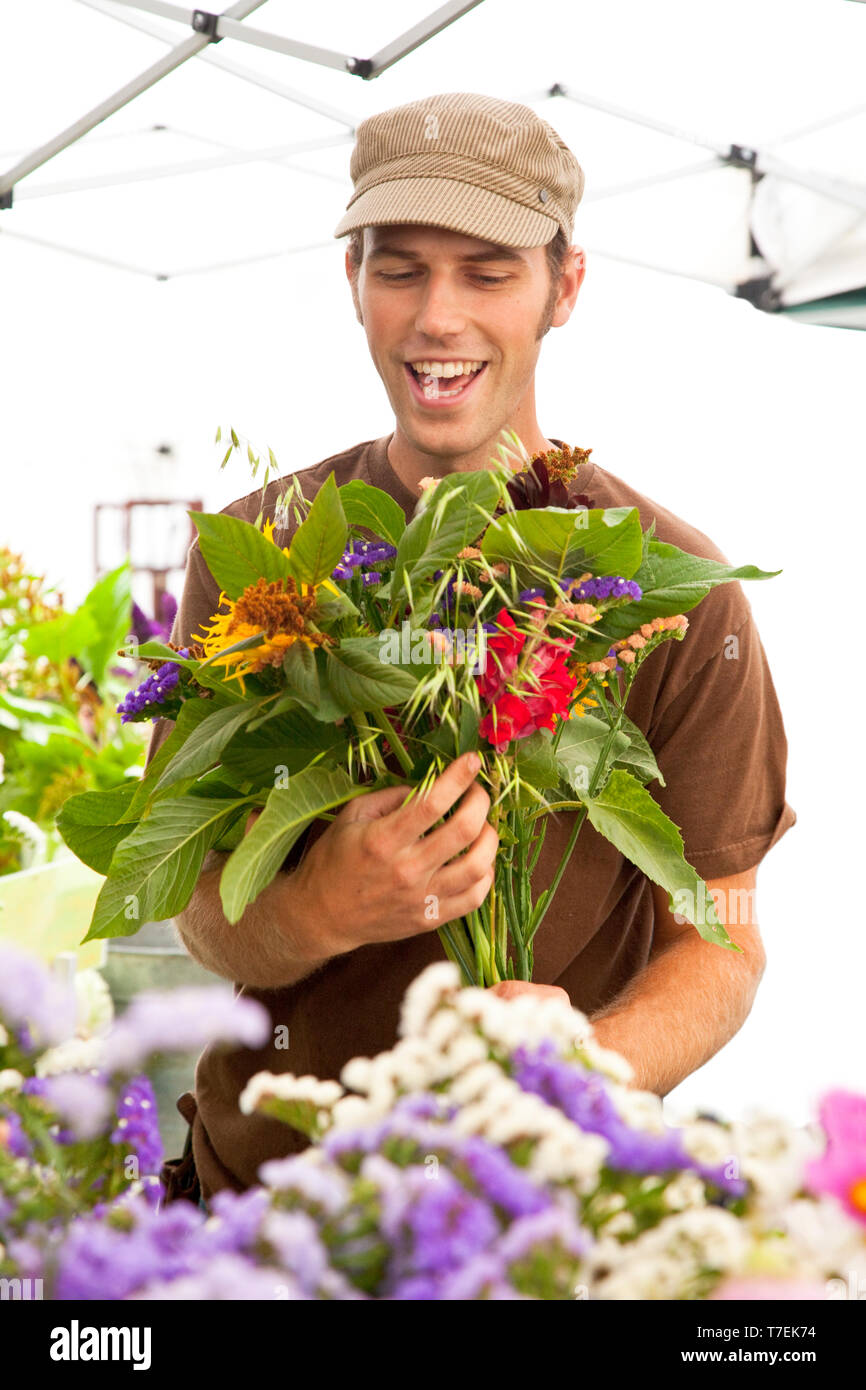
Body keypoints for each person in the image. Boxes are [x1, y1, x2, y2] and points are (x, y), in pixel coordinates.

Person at [147, 92, 797, 1202]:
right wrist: (317, 906)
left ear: (564, 287)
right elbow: (193, 897)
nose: (435, 318)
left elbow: (722, 939)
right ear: (349, 278)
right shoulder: (264, 554)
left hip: (522, 1222)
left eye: (486, 272)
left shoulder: (668, 590)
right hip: (256, 1220)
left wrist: (592, 1062)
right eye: (398, 268)